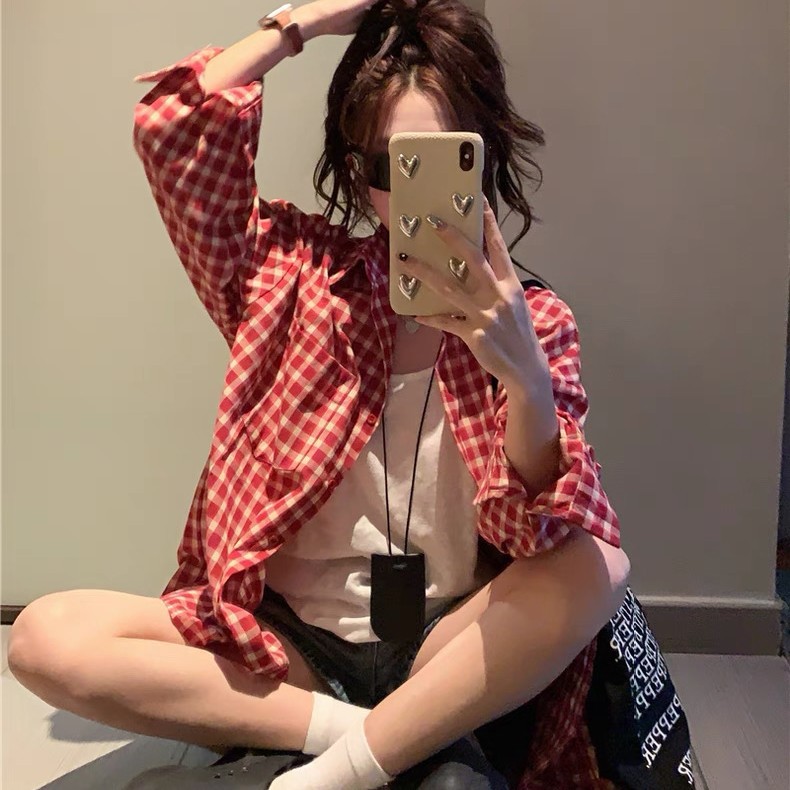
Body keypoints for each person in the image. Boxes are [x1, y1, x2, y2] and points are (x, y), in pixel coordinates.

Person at [8, 1, 637, 787]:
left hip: (441, 642)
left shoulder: (533, 321)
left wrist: (525, 379)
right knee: (45, 636)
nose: (414, 196)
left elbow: (536, 530)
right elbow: (174, 133)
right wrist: (303, 23)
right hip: (289, 651)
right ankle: (371, 743)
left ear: (484, 158)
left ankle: (335, 770)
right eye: (390, 167)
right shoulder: (288, 277)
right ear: (356, 172)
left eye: (445, 161)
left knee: (596, 563)